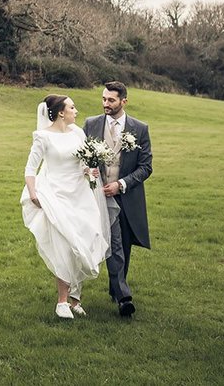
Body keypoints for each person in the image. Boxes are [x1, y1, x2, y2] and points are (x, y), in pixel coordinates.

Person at [21, 94, 112, 319]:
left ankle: (76, 300)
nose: (76, 111)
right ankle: (62, 302)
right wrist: (33, 194)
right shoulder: (43, 137)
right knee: (65, 244)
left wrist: (89, 171)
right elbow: (30, 169)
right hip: (56, 194)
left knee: (84, 240)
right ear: (61, 112)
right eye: (72, 107)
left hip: (80, 194)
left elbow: (82, 164)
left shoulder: (78, 133)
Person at [82, 81, 153, 317]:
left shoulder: (140, 129)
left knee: (121, 245)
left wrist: (121, 184)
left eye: (111, 100)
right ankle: (116, 295)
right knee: (96, 243)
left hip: (123, 197)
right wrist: (88, 171)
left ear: (124, 101)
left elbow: (146, 168)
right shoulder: (91, 124)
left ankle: (119, 292)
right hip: (94, 196)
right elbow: (81, 157)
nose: (105, 104)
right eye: (103, 99)